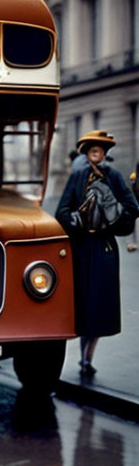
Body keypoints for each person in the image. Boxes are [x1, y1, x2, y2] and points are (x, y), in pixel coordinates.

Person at [55, 130, 139, 376]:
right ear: (87, 152)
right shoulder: (78, 177)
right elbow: (62, 211)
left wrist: (108, 223)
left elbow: (133, 207)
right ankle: (82, 356)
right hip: (82, 249)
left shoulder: (114, 177)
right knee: (83, 304)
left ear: (105, 153)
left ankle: (87, 358)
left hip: (104, 251)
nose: (97, 153)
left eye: (101, 150)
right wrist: (80, 222)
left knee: (100, 306)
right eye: (93, 149)